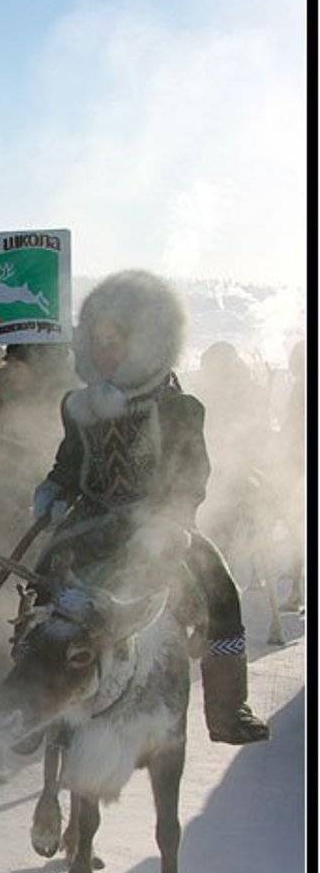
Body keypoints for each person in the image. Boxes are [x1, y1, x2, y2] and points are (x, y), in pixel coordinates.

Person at [32, 269, 269, 745]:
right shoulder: (78, 407)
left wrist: (168, 521)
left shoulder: (179, 408)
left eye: (114, 339)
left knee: (220, 590)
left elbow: (191, 477)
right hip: (92, 522)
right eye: (95, 340)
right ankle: (31, 702)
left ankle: (226, 711)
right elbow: (67, 465)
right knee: (41, 586)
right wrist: (53, 494)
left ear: (145, 341)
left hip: (160, 525)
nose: (104, 350)